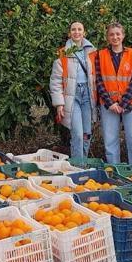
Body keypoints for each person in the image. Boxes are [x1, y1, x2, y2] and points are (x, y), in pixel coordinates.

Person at [95, 23, 132, 164]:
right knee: (110, 143)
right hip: (109, 105)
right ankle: (114, 173)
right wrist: (111, 103)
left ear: (123, 35)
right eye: (111, 34)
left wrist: (123, 104)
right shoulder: (100, 55)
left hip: (131, 104)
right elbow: (98, 81)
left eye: (118, 34)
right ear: (107, 37)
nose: (115, 37)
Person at [50, 22, 98, 160]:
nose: (76, 32)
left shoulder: (92, 52)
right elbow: (56, 80)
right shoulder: (63, 53)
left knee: (87, 133)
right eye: (73, 30)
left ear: (84, 32)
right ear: (69, 33)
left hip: (88, 95)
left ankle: (82, 161)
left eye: (79, 29)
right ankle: (78, 166)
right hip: (72, 96)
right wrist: (59, 103)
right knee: (77, 133)